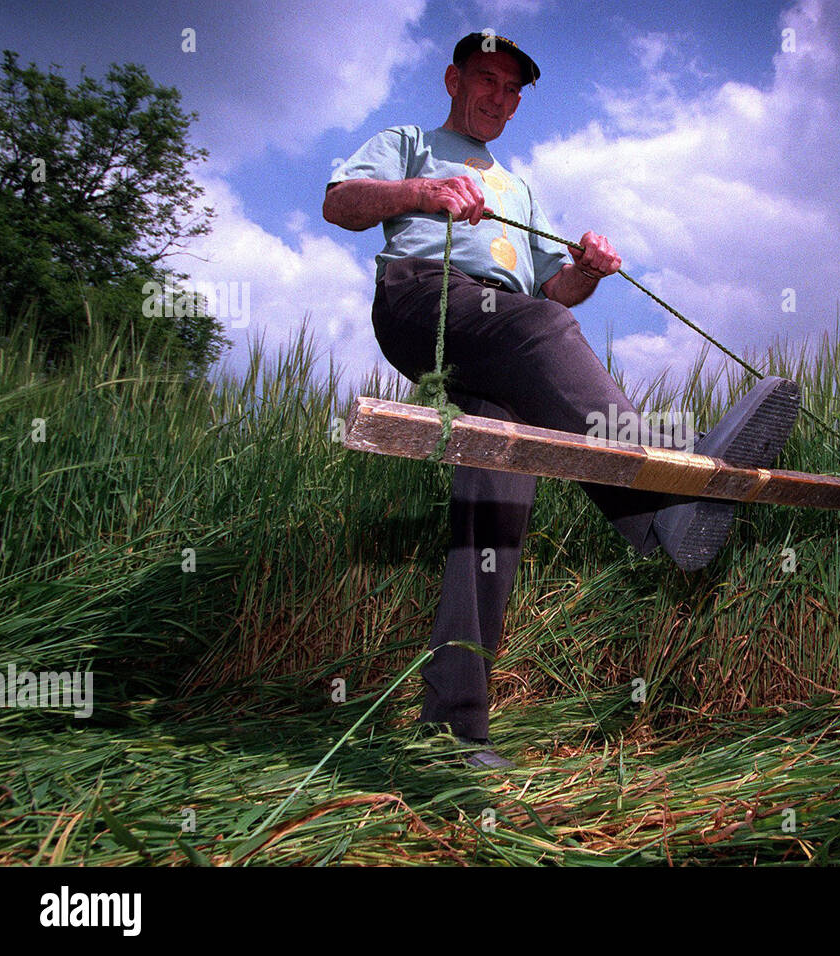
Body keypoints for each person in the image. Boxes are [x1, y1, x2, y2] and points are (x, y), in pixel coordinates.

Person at [323, 33, 799, 768]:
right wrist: (424, 192)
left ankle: (452, 730)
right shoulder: (410, 141)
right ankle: (670, 492)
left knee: (497, 489)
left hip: (496, 341)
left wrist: (591, 269)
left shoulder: (521, 189)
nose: (498, 98)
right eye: (486, 80)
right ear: (453, 79)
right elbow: (340, 203)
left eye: (512, 91)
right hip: (425, 301)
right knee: (542, 329)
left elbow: (554, 291)